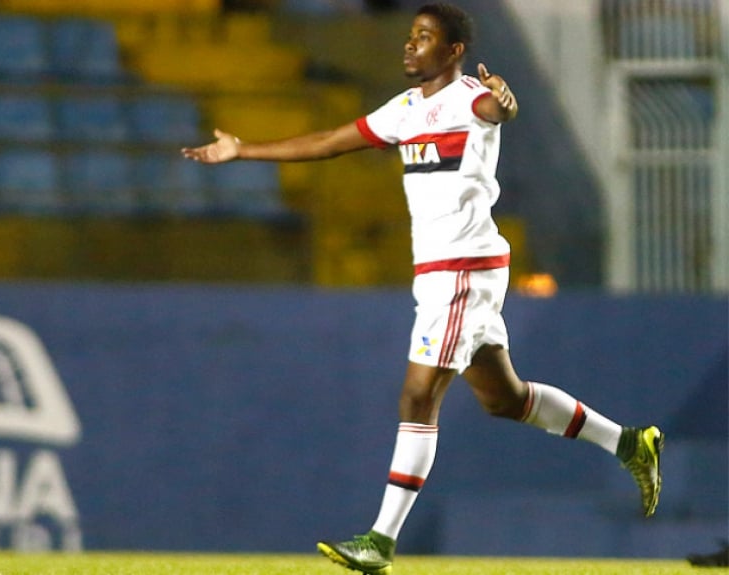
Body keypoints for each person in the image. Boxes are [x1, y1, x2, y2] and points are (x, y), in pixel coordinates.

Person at [181, 3, 663, 574]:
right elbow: (332, 140)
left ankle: (380, 542)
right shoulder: (406, 109)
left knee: (417, 396)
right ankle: (630, 443)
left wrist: (503, 98)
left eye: (426, 36)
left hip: (463, 269)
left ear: (454, 51)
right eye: (411, 34)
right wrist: (243, 150)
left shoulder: (471, 101)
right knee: (504, 399)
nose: (411, 44)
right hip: (443, 272)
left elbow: (499, 108)